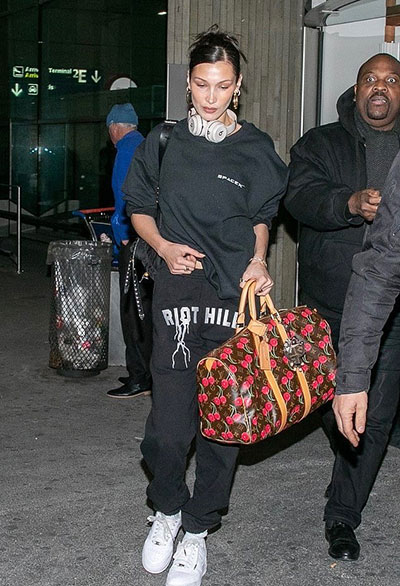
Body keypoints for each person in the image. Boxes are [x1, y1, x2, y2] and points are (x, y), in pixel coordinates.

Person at [123, 25, 288, 586]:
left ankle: (197, 529)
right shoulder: (164, 141)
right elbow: (138, 205)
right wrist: (165, 248)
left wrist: (259, 260)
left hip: (231, 298)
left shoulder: (255, 147)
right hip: (177, 295)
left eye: (222, 85)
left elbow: (262, 216)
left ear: (237, 85)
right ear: (188, 84)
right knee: (168, 431)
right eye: (201, 84)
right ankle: (167, 509)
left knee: (222, 426)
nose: (211, 96)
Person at [285, 53, 400, 561]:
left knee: (376, 412)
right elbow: (297, 196)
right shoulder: (321, 143)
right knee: (332, 401)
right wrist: (348, 203)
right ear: (356, 91)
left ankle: (343, 514)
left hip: (392, 312)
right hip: (331, 303)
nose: (380, 87)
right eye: (370, 79)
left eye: (391, 80)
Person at [333, 148, 400, 552]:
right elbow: (381, 269)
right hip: (377, 311)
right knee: (371, 418)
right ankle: (342, 512)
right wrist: (353, 377)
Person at [106, 103, 153, 399]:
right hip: (150, 241)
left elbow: (126, 198)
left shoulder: (126, 150)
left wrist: (123, 236)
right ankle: (147, 370)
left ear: (114, 127)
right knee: (145, 308)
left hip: (134, 241)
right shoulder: (147, 145)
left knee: (131, 311)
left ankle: (139, 377)